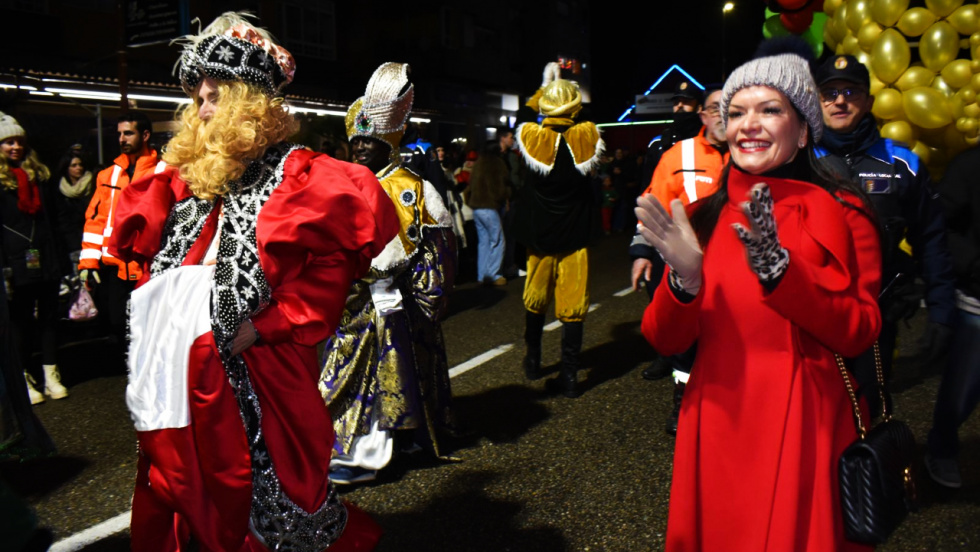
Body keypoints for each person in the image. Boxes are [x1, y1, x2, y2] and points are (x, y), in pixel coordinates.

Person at [107, 13, 395, 551]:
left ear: (248, 102)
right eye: (198, 98)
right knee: (185, 478)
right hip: (184, 370)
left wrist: (269, 324)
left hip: (263, 362)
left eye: (215, 96)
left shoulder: (300, 173)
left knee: (274, 484)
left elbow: (330, 268)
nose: (203, 110)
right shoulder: (188, 177)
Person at [636, 48, 881, 551]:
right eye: (737, 112)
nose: (749, 124)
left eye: (770, 109)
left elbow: (860, 329)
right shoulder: (700, 216)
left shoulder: (844, 209)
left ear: (804, 129)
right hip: (717, 416)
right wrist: (684, 282)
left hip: (807, 419)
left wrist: (784, 276)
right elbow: (664, 338)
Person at [319, 62, 458, 485]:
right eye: (357, 138)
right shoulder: (342, 182)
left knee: (390, 377)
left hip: (393, 305)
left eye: (370, 139)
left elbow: (438, 249)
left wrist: (416, 299)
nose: (361, 146)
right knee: (338, 378)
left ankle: (375, 453)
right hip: (348, 304)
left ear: (389, 142)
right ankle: (345, 448)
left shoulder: (414, 188)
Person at [813, 54, 956, 416]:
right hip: (810, 314)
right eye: (828, 93)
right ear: (815, 101)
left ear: (869, 101)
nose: (840, 101)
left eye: (850, 91)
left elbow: (932, 239)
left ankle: (867, 470)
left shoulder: (901, 163)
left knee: (868, 410)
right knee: (814, 410)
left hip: (876, 316)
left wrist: (941, 310)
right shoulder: (797, 160)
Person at [629, 88, 729, 435]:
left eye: (731, 107)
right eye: (715, 108)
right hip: (689, 274)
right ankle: (682, 400)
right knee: (685, 346)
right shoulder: (677, 154)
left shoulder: (755, 153)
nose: (722, 114)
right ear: (703, 115)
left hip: (738, 277)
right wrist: (642, 251)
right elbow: (653, 203)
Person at [515, 62, 603, 398]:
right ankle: (569, 376)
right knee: (573, 303)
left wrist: (545, 85)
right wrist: (566, 92)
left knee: (535, 298)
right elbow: (583, 115)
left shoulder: (531, 136)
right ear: (575, 108)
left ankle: (533, 360)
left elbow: (526, 112)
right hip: (576, 234)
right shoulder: (588, 136)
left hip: (540, 235)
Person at [0, 112, 68, 405]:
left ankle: (51, 374)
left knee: (50, 318)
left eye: (19, 141)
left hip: (47, 256)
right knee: (21, 321)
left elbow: (55, 218)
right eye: (8, 142)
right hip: (15, 262)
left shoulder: (39, 175)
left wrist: (66, 260)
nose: (15, 147)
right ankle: (24, 376)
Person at [79, 112, 160, 351]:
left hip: (149, 264)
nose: (122, 138)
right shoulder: (107, 176)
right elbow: (96, 220)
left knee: (149, 324)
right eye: (120, 134)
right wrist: (88, 262)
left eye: (128, 133)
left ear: (145, 135)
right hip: (115, 265)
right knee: (118, 322)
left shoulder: (164, 171)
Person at [924, 145, 980, 489]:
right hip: (977, 306)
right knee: (960, 394)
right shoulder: (971, 165)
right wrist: (974, 267)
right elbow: (940, 227)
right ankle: (941, 450)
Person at [465, 141, 510, 286]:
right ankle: (494, 274)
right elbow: (500, 186)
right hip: (489, 206)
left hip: (476, 207)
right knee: (497, 240)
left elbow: (470, 185)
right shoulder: (497, 163)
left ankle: (482, 275)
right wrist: (505, 197)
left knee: (483, 242)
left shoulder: (478, 163)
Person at [52, 146, 95, 267]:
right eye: (74, 165)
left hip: (90, 240)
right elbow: (61, 219)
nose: (78, 168)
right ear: (66, 168)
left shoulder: (92, 184)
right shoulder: (60, 189)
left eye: (80, 165)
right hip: (69, 244)